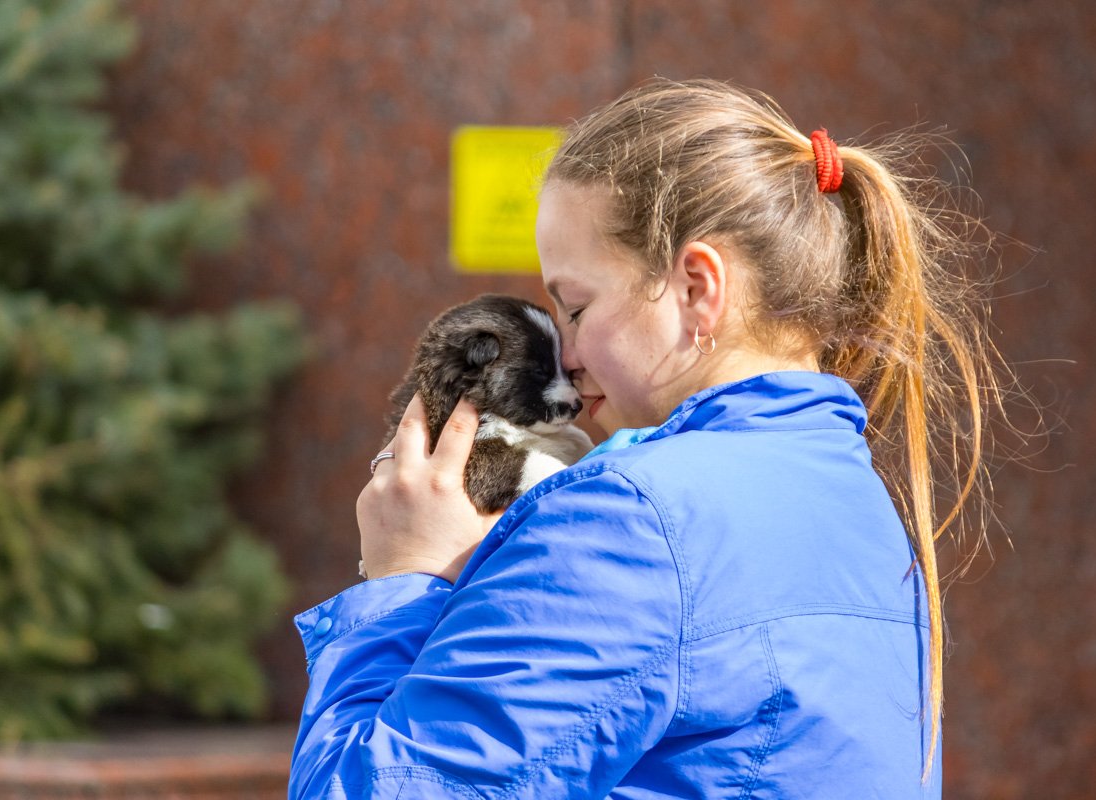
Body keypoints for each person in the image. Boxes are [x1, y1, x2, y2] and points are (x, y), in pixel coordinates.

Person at [289, 78, 1010, 798]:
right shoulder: (862, 511)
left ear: (697, 288)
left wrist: (403, 579)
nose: (564, 354)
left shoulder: (630, 524)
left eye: (574, 307)